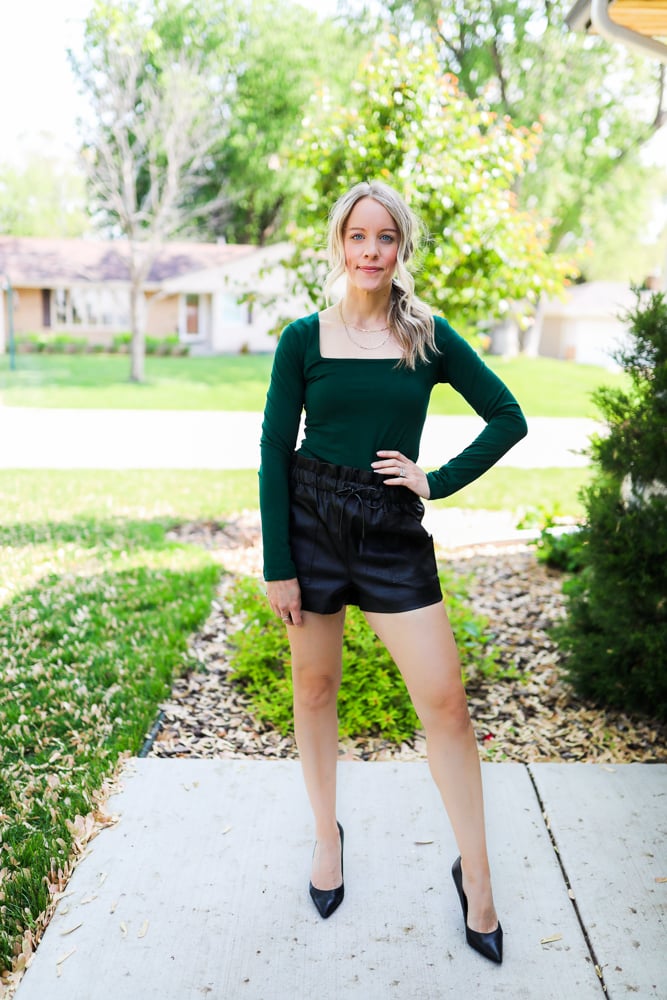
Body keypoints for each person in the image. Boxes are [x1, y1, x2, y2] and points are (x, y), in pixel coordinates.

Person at [258, 180, 527, 963]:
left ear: (400, 247)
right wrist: (279, 564)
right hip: (309, 526)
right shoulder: (302, 339)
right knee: (313, 690)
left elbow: (507, 415)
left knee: (444, 705)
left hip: (388, 532)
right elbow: (275, 448)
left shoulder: (426, 335)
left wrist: (434, 480)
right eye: (357, 237)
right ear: (339, 245)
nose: (370, 251)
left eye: (384, 238)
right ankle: (324, 837)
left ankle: (475, 876)